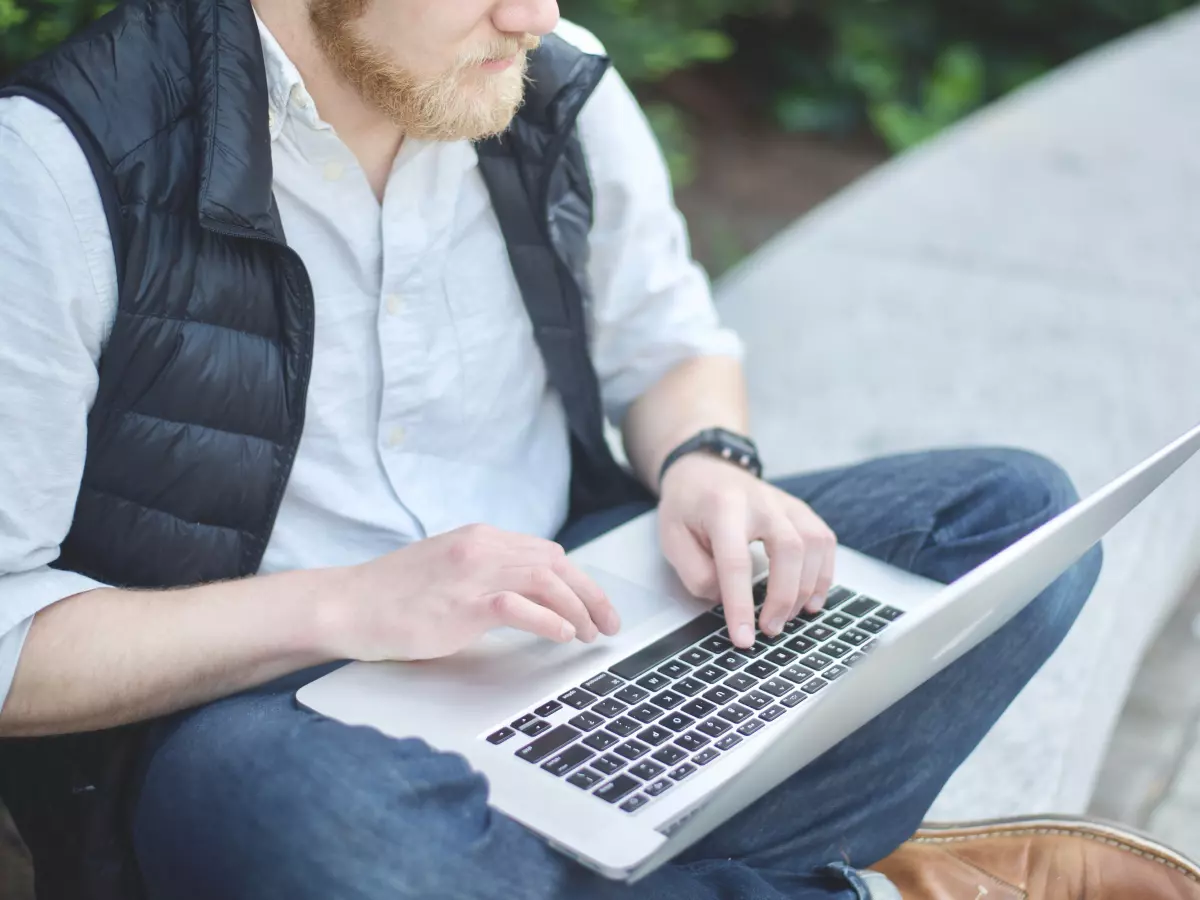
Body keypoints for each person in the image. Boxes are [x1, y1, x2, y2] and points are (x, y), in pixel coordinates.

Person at [0, 1, 1188, 898]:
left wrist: (709, 462)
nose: (532, 13)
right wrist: (349, 606)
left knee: (1010, 524)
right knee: (323, 830)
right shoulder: (60, 169)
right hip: (269, 712)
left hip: (577, 613)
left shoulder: (539, 75)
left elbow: (671, 346)